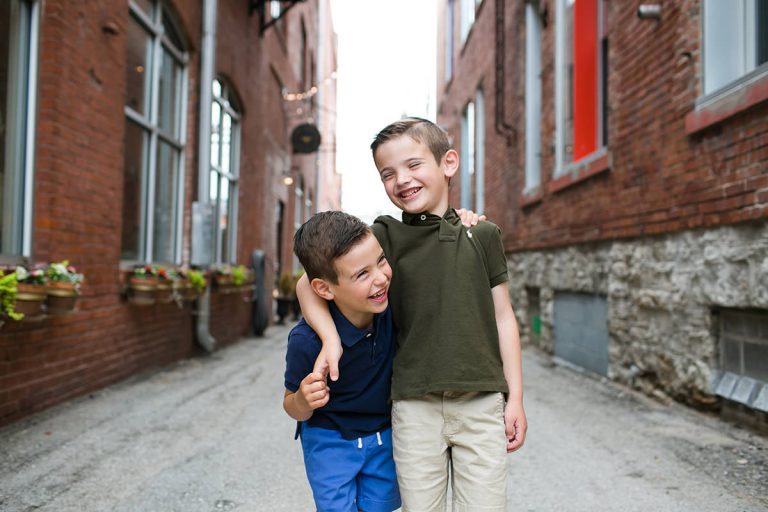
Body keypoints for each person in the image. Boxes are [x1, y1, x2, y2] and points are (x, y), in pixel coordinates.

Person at [297, 117, 527, 511]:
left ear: (448, 163)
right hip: (413, 405)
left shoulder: (483, 235)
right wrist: (331, 340)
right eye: (388, 173)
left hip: (482, 399)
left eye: (413, 165)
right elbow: (308, 283)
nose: (401, 179)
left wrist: (516, 396)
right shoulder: (385, 235)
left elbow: (503, 317)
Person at [283, 210, 400, 512]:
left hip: (382, 436)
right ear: (324, 288)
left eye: (382, 262)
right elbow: (291, 406)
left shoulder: (389, 309)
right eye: (362, 274)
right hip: (329, 440)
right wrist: (304, 400)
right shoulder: (307, 342)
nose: (380, 278)